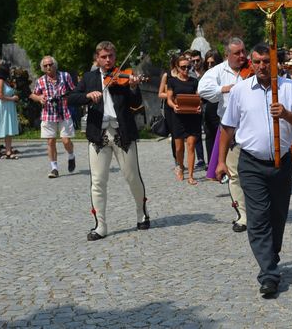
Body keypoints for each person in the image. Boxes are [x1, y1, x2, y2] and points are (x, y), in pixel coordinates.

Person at [215, 43, 292, 296]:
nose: (261, 66)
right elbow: (227, 128)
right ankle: (268, 274)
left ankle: (271, 256)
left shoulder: (290, 89)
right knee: (258, 218)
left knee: (277, 217)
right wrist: (221, 161)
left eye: (266, 62)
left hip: (281, 162)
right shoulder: (241, 91)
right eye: (256, 61)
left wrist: (287, 115)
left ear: (276, 63)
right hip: (251, 163)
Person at [67, 41, 150, 241]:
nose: (107, 60)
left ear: (115, 57)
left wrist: (132, 87)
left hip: (123, 133)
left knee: (132, 177)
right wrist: (88, 96)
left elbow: (136, 104)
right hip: (99, 135)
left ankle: (142, 213)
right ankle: (100, 225)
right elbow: (71, 98)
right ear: (97, 58)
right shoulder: (89, 78)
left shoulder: (123, 76)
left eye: (111, 56)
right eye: (103, 57)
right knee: (98, 181)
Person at [198, 37, 249, 232]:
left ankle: (258, 211)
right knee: (234, 173)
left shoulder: (251, 70)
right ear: (227, 54)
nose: (242, 56)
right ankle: (242, 215)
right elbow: (203, 89)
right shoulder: (218, 71)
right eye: (237, 53)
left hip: (252, 126)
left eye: (243, 51)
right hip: (230, 128)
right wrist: (224, 89)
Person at [29, 56, 76, 178]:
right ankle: (54, 168)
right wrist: (39, 98)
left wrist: (67, 96)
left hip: (64, 112)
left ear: (55, 65)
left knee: (66, 140)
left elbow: (74, 91)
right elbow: (33, 95)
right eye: (46, 66)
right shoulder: (40, 81)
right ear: (43, 68)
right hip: (48, 114)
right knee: (50, 141)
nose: (48, 67)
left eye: (50, 64)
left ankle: (71, 155)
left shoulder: (65, 76)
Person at [167, 55, 202, 185]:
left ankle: (191, 176)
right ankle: (181, 167)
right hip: (178, 117)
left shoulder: (194, 81)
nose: (186, 69)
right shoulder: (172, 81)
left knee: (191, 145)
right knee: (179, 148)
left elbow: (198, 98)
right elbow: (169, 99)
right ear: (177, 67)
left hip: (192, 117)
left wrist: (199, 106)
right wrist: (173, 106)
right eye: (183, 67)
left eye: (188, 67)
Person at [0, 63, 20, 160]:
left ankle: (8, 151)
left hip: (8, 107)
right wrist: (12, 98)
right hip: (2, 107)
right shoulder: (0, 81)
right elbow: (0, 96)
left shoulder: (6, 81)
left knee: (8, 129)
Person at [201, 50, 223, 166]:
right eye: (208, 63)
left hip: (220, 106)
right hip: (209, 108)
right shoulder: (206, 75)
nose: (209, 65)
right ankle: (211, 165)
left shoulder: (222, 73)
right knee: (209, 136)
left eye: (212, 63)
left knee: (221, 137)